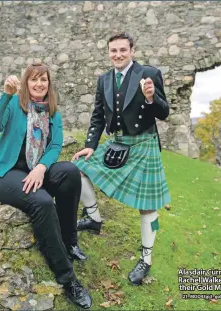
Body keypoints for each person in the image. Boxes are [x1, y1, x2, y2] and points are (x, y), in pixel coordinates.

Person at [0, 63, 92, 309]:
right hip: (3, 174)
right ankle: (67, 278)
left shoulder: (53, 114)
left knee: (70, 172)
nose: (39, 84)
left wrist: (42, 167)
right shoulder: (13, 104)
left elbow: (54, 147)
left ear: (49, 84)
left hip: (33, 169)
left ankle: (69, 241)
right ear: (26, 83)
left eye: (44, 80)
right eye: (34, 80)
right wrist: (5, 95)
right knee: (42, 202)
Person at [72, 33, 171, 285]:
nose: (117, 55)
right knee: (77, 168)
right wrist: (90, 146)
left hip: (144, 144)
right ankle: (94, 218)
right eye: (113, 50)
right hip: (117, 142)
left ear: (132, 51)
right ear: (108, 52)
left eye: (122, 50)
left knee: (148, 205)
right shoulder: (104, 79)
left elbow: (164, 112)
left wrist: (150, 97)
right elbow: (97, 115)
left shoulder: (149, 73)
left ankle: (146, 259)